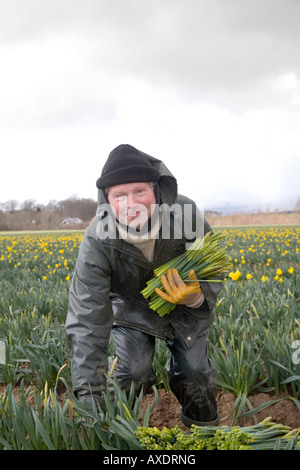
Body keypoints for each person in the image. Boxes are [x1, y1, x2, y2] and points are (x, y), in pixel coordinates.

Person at [65, 144, 223, 427]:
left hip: (182, 300)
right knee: (132, 372)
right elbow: (86, 319)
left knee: (195, 371)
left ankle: (204, 432)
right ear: (107, 200)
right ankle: (121, 431)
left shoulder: (185, 214)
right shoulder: (97, 240)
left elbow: (213, 267)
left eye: (140, 191)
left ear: (156, 189)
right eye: (120, 195)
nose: (132, 203)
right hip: (131, 305)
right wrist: (91, 400)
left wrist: (195, 296)